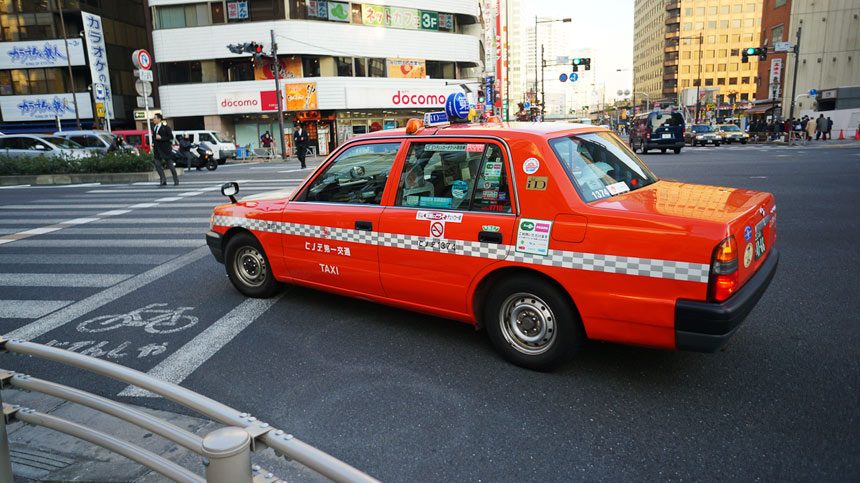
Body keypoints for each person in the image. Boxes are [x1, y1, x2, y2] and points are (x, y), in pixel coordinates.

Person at [151, 113, 178, 186]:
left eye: (155, 118)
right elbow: (154, 138)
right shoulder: (154, 127)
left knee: (170, 165)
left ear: (159, 119)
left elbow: (171, 137)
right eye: (154, 118)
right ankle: (163, 180)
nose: (153, 119)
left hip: (165, 149)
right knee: (157, 165)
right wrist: (153, 143)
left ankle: (176, 180)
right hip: (157, 150)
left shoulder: (166, 128)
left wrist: (161, 138)